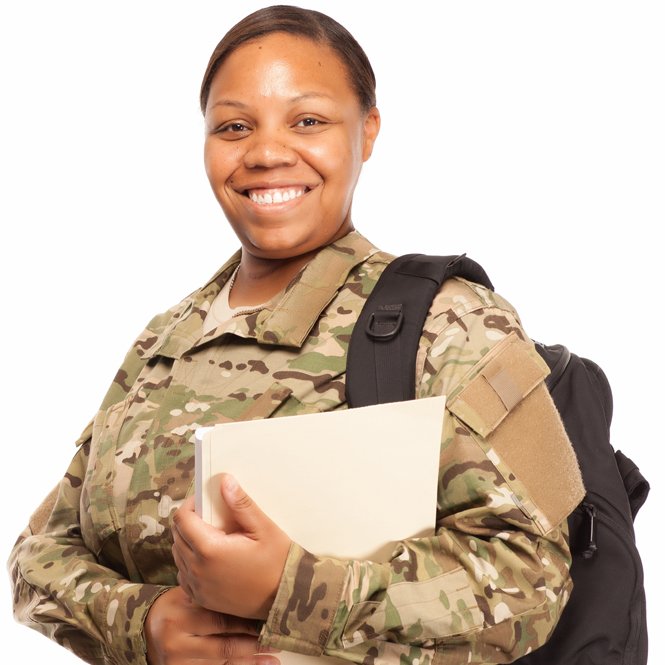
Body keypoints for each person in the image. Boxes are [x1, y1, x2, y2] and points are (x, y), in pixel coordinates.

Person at [8, 5, 584, 665]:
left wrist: (294, 588)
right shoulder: (164, 339)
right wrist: (141, 623)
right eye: (233, 126)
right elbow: (38, 555)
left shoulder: (451, 323)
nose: (266, 152)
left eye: (307, 120)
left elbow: (532, 578)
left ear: (366, 130)